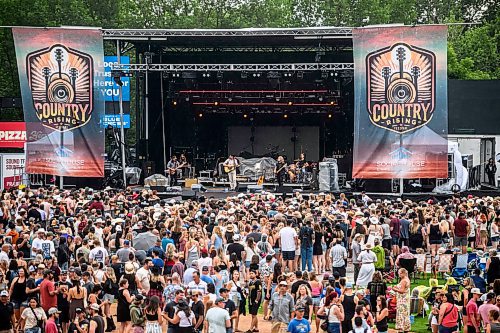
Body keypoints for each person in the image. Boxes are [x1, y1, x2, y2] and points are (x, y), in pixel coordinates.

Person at [392, 268, 411, 333]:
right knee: (405, 314)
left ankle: (401, 329)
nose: (399, 275)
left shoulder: (403, 281)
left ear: (402, 273)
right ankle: (406, 328)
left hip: (402, 300)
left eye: (399, 274)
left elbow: (402, 291)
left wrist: (395, 289)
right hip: (406, 300)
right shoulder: (407, 279)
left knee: (401, 314)